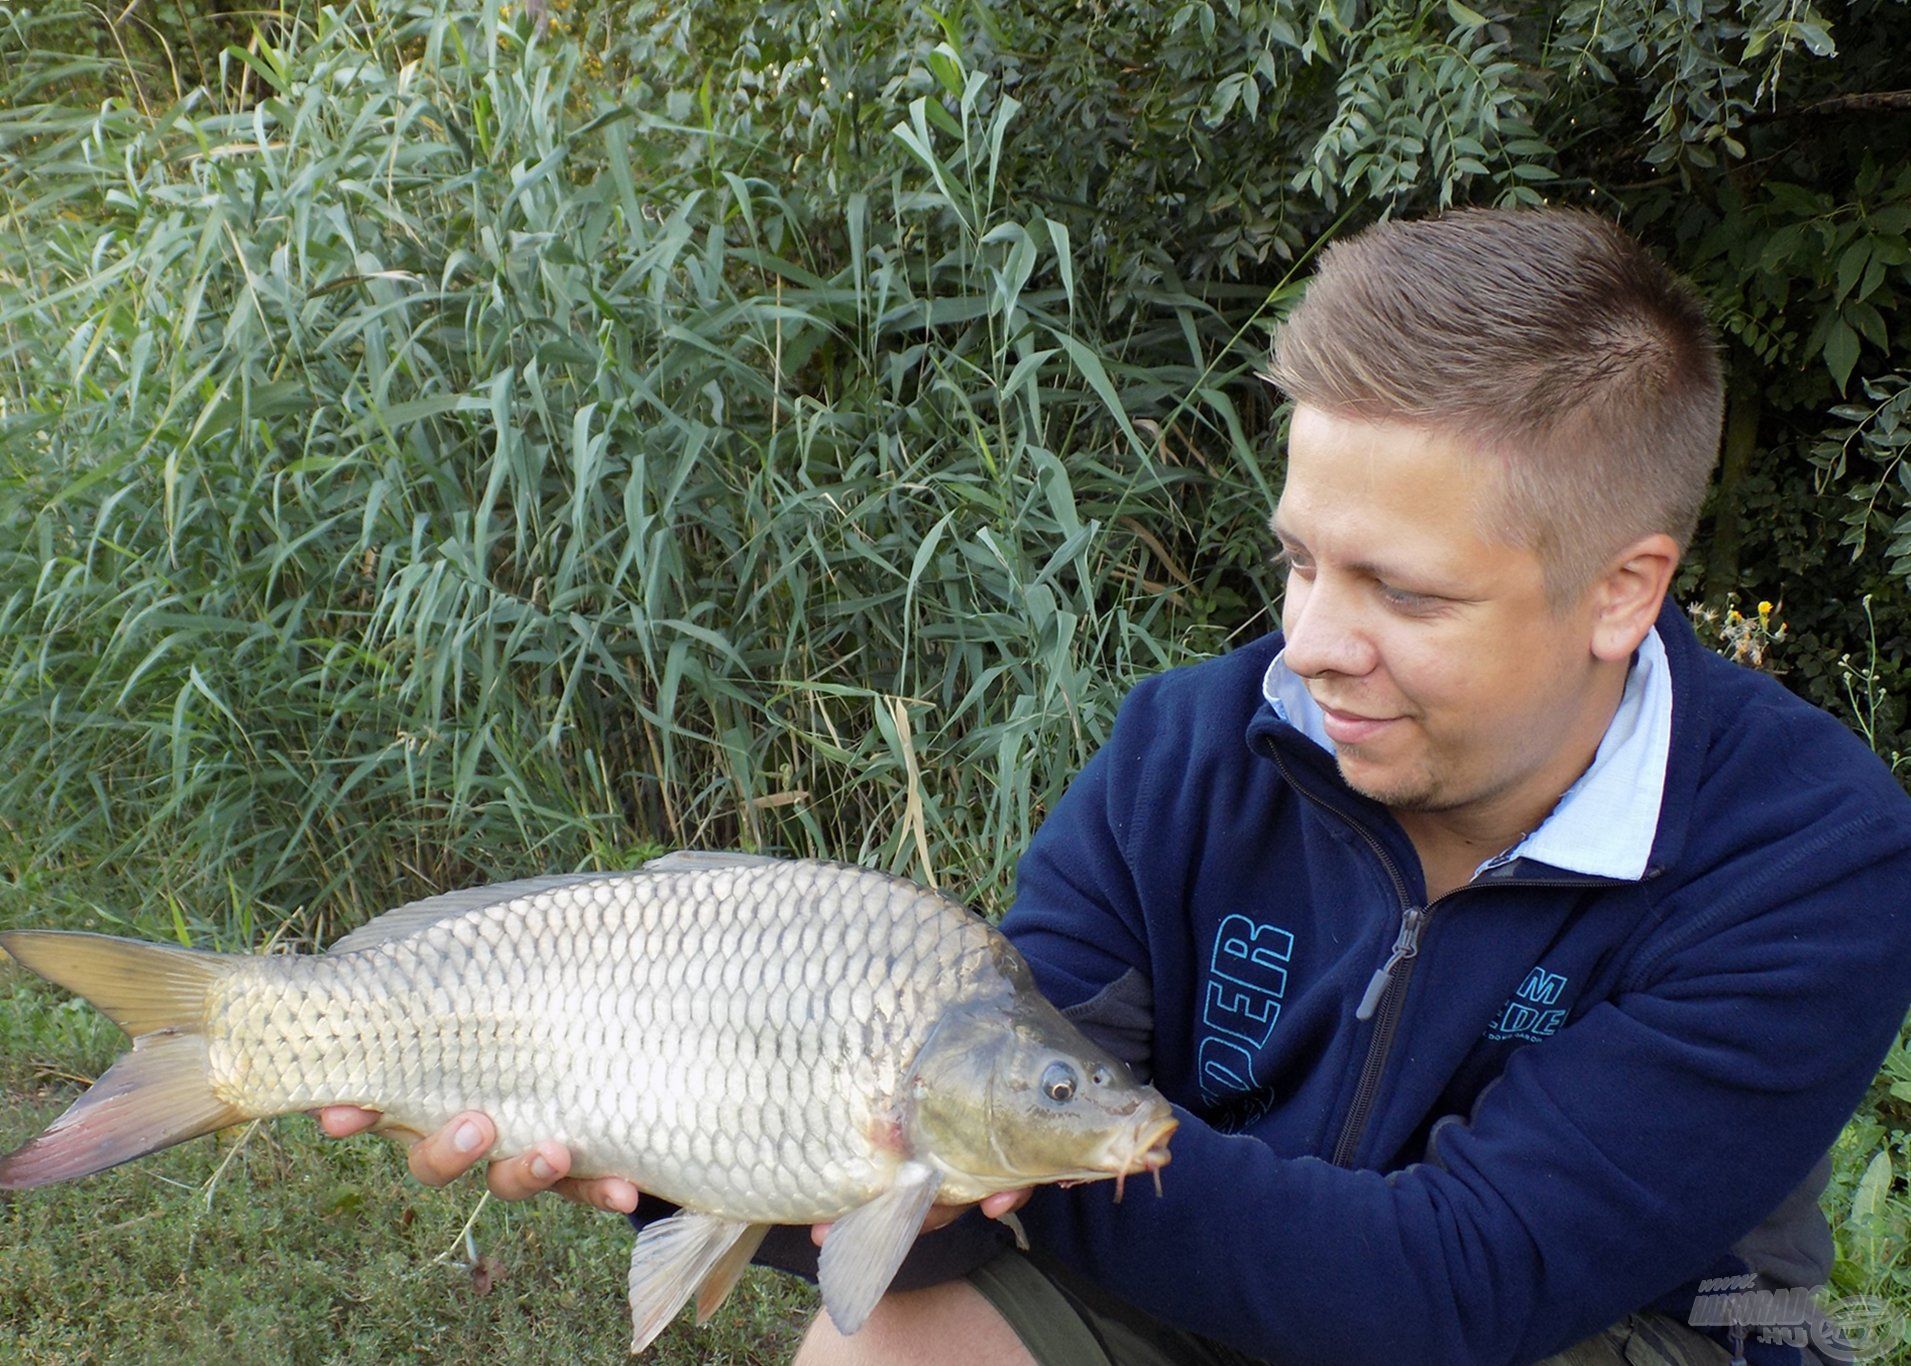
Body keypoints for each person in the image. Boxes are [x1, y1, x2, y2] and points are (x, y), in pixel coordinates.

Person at [321, 208, 1911, 1365]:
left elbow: (1462, 1284)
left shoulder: (1806, 858)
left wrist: (981, 1151)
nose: (1313, 641)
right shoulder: (1189, 749)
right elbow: (979, 1124)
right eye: (1297, 558)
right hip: (1207, 1256)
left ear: (1623, 590)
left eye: (1401, 592)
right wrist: (722, 1133)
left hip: (1592, 1325)